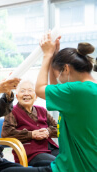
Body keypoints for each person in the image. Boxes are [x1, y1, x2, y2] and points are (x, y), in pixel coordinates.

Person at [35, 32, 97, 171]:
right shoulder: (88, 90)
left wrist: (47, 56)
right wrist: (53, 60)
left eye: (59, 74)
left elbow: (39, 89)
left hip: (73, 168)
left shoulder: (76, 91)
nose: (59, 80)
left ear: (67, 69)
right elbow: (54, 87)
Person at [2, 80, 59, 167]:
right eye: (22, 91)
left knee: (72, 159)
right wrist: (31, 134)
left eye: (30, 90)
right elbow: (6, 133)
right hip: (30, 154)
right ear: (17, 96)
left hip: (50, 148)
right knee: (59, 164)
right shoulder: (12, 111)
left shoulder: (42, 110)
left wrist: (48, 131)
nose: (26, 94)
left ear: (36, 96)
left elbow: (58, 128)